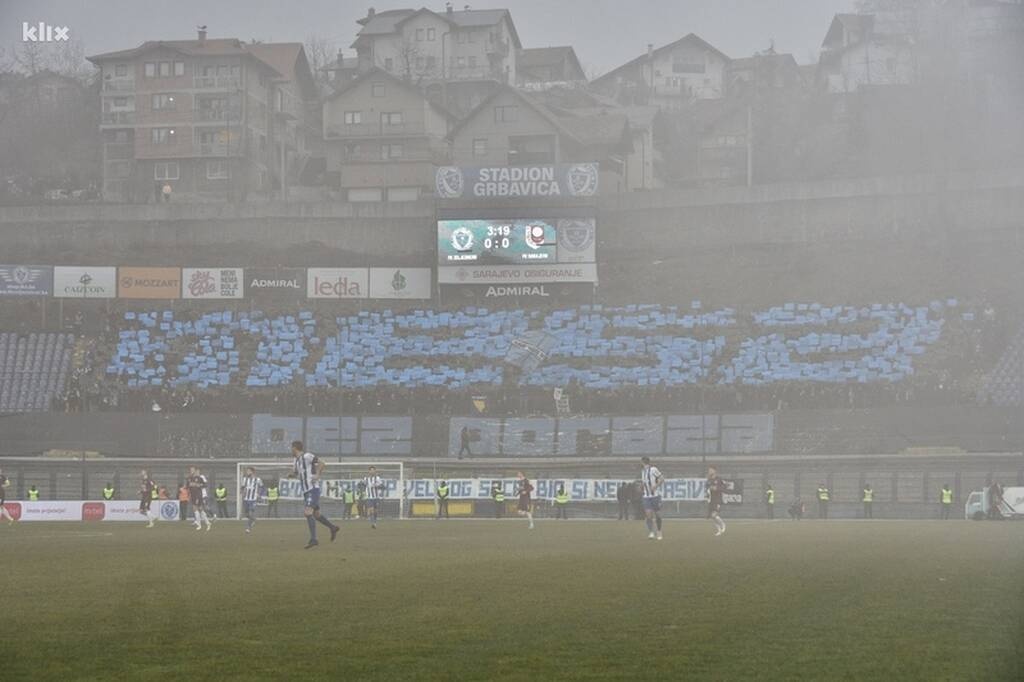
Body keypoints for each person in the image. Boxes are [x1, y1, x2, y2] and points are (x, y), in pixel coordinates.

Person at [291, 440, 339, 549]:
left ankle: (314, 539)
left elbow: (322, 463)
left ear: (295, 448)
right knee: (316, 514)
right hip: (306, 491)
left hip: (312, 489)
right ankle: (333, 528)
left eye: (291, 448)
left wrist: (317, 475)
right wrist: (291, 475)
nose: (291, 450)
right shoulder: (296, 461)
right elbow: (296, 473)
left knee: (308, 512)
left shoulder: (307, 456)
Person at [640, 457, 663, 540]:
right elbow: (644, 482)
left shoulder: (653, 469)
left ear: (643, 462)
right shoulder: (643, 472)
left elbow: (662, 479)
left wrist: (655, 486)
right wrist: (641, 487)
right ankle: (651, 532)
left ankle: (659, 531)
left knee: (657, 514)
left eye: (641, 462)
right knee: (648, 515)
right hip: (646, 496)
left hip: (655, 496)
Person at [187, 466, 213, 531]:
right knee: (199, 509)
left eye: (192, 470)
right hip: (193, 496)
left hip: (198, 495)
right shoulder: (189, 478)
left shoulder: (199, 478)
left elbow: (205, 485)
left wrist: (200, 485)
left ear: (195, 471)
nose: (191, 471)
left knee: (196, 509)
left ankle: (200, 525)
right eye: (190, 470)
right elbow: (188, 486)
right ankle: (207, 523)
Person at [239, 467, 263, 534]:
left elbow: (262, 487)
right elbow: (242, 487)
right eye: (247, 471)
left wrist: (259, 494)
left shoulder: (258, 479)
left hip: (253, 499)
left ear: (252, 472)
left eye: (249, 471)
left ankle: (248, 528)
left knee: (251, 512)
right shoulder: (245, 479)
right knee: (246, 514)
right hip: (246, 499)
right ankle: (253, 520)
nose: (247, 472)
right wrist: (241, 491)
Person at [362, 465, 386, 529]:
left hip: (376, 497)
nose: (372, 471)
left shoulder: (377, 478)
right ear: (369, 471)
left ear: (375, 471)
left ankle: (375, 522)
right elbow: (362, 485)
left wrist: (376, 486)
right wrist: (363, 491)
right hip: (369, 497)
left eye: (373, 470)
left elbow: (383, 487)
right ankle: (372, 523)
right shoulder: (365, 478)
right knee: (371, 510)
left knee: (375, 511)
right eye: (371, 470)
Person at [707, 466, 727, 537]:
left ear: (714, 471)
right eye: (709, 470)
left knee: (714, 515)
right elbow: (707, 488)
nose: (709, 471)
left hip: (717, 499)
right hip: (711, 500)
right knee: (712, 517)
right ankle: (719, 530)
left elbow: (725, 486)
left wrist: (717, 488)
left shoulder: (719, 479)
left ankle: (723, 524)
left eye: (710, 470)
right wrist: (709, 489)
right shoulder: (709, 480)